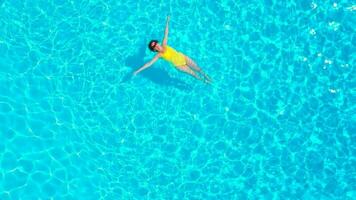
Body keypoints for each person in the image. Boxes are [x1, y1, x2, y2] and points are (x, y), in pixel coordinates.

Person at [133, 16, 212, 84]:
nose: (156, 46)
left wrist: (167, 21)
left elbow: (166, 33)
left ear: (158, 43)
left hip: (183, 57)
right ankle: (203, 81)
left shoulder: (164, 44)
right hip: (179, 65)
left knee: (198, 68)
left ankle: (207, 77)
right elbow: (149, 63)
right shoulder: (159, 55)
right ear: (154, 50)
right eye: (154, 47)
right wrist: (138, 71)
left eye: (156, 44)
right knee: (193, 74)